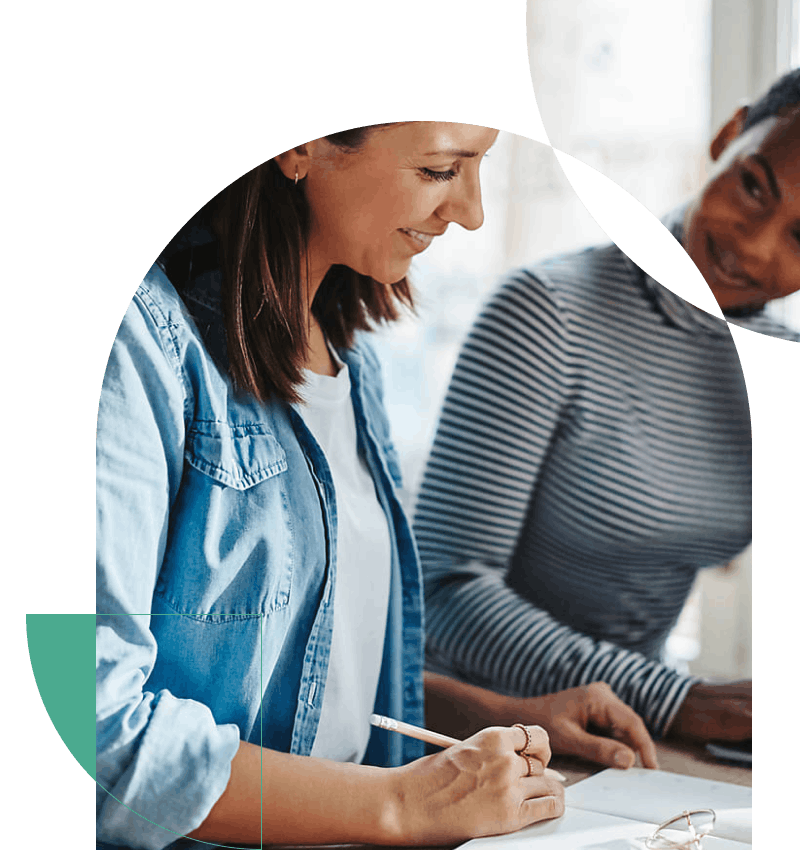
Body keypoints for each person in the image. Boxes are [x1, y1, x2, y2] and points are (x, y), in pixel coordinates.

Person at [96, 122, 658, 850]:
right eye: (438, 169)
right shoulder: (131, 347)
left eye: (481, 167)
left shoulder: (348, 361)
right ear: (298, 144)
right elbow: (90, 736)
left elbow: (311, 674)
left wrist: (491, 716)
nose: (471, 211)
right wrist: (400, 804)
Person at [413, 70, 799, 750]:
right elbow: (443, 592)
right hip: (468, 732)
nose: (753, 243)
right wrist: (677, 699)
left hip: (636, 739)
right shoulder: (548, 312)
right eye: (753, 185)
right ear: (729, 135)